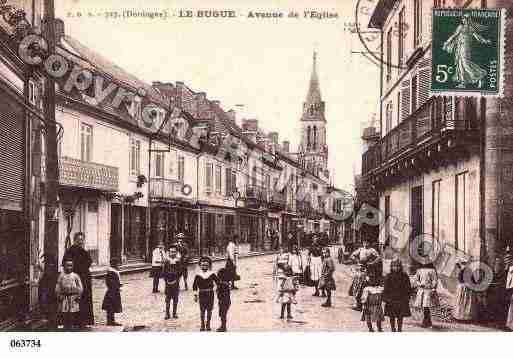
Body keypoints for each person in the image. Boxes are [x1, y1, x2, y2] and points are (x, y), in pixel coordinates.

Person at [443, 14, 492, 88]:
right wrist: (447, 42)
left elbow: (477, 37)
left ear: (468, 20)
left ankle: (480, 76)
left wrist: (485, 41)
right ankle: (463, 82)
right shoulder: (460, 27)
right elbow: (454, 35)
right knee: (460, 64)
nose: (463, 20)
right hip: (460, 47)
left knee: (466, 63)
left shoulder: (470, 28)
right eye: (463, 19)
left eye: (465, 19)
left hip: (466, 47)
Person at [62, 232, 94, 327]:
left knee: (85, 300)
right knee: (74, 300)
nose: (81, 241)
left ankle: (83, 321)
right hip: (74, 279)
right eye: (79, 240)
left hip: (85, 279)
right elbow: (65, 264)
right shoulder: (70, 251)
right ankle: (74, 321)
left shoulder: (84, 251)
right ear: (75, 240)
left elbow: (89, 262)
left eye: (82, 239)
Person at [382, 259, 411, 332]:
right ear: (391, 267)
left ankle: (399, 329)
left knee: (400, 316)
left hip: (401, 299)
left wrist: (407, 297)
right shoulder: (388, 276)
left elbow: (408, 287)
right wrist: (386, 298)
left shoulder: (404, 276)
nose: (396, 268)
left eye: (398, 266)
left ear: (400, 267)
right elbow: (385, 288)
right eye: (394, 266)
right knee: (392, 316)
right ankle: (393, 328)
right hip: (391, 299)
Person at [55, 259, 83, 330]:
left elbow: (80, 287)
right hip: (64, 297)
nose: (69, 267)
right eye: (67, 265)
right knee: (64, 311)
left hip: (73, 297)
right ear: (64, 266)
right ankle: (65, 325)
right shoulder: (61, 276)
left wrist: (78, 295)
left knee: (73, 312)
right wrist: (59, 295)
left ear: (73, 266)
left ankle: (72, 324)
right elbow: (58, 286)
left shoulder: (75, 276)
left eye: (70, 266)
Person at [193, 256, 218, 331]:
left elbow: (218, 282)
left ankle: (208, 324)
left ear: (209, 265)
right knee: (202, 310)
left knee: (209, 310)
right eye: (203, 265)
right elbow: (194, 286)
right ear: (200, 265)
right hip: (201, 294)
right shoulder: (198, 275)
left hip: (210, 294)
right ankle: (202, 324)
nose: (204, 267)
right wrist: (195, 295)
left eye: (206, 265)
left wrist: (216, 289)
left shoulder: (212, 274)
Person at [413, 263, 440, 328]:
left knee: (426, 306)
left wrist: (433, 288)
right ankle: (427, 321)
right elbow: (416, 279)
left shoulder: (432, 270)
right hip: (422, 290)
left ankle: (426, 321)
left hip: (428, 290)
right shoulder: (419, 270)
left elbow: (434, 280)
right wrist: (419, 284)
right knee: (424, 306)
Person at [102, 257, 123, 326]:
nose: (118, 265)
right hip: (112, 292)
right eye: (117, 264)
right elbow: (110, 283)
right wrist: (116, 287)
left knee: (112, 307)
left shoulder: (113, 271)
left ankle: (111, 320)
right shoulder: (111, 272)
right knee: (110, 307)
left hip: (114, 291)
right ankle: (110, 321)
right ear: (114, 264)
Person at [162, 247, 181, 319]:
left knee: (175, 298)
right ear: (169, 253)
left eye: (174, 252)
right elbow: (163, 272)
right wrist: (166, 279)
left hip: (176, 282)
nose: (172, 253)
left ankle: (174, 313)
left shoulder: (178, 261)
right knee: (167, 299)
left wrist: (176, 277)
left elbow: (180, 272)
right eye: (171, 252)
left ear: (176, 253)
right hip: (168, 283)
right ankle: (167, 313)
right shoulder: (166, 261)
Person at [216, 267, 232, 332]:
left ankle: (223, 327)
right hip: (227, 301)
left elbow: (221, 294)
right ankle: (223, 326)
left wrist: (220, 299)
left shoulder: (222, 284)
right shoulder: (226, 284)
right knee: (223, 314)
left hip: (223, 301)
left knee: (223, 314)